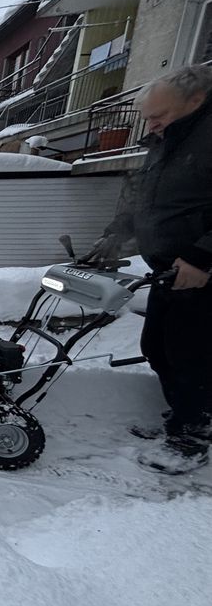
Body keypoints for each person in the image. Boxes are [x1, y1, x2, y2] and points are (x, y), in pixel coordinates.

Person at [89, 63, 212, 474]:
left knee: (191, 355)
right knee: (157, 349)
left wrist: (201, 257)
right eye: (148, 117)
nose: (151, 124)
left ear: (195, 101)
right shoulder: (167, 139)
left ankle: (192, 435)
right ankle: (183, 417)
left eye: (159, 116)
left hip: (200, 274)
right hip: (167, 271)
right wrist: (113, 236)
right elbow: (145, 200)